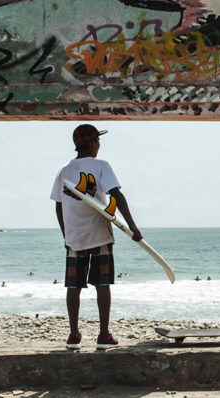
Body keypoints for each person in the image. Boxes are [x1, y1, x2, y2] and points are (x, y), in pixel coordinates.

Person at [50, 124, 142, 350]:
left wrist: (65, 235)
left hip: (74, 238)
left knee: (74, 286)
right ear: (91, 143)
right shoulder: (101, 165)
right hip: (100, 234)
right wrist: (132, 226)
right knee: (102, 284)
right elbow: (116, 195)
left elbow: (59, 207)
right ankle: (103, 334)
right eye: (98, 141)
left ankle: (73, 335)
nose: (99, 145)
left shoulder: (63, 171)